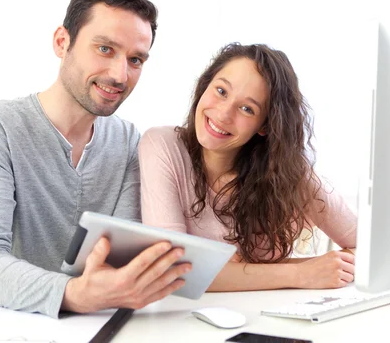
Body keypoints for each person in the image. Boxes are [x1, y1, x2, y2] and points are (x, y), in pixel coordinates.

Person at [0, 0, 191, 318]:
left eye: (135, 60)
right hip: (10, 326)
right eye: (105, 49)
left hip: (101, 325)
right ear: (62, 42)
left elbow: (120, 258)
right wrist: (74, 294)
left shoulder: (127, 142)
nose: (120, 75)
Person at [139, 43, 357, 291]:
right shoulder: (161, 144)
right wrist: (300, 273)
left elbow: (373, 251)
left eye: (247, 109)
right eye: (221, 91)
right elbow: (170, 269)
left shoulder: (288, 171)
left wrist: (233, 271)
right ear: (204, 87)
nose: (223, 114)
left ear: (265, 125)